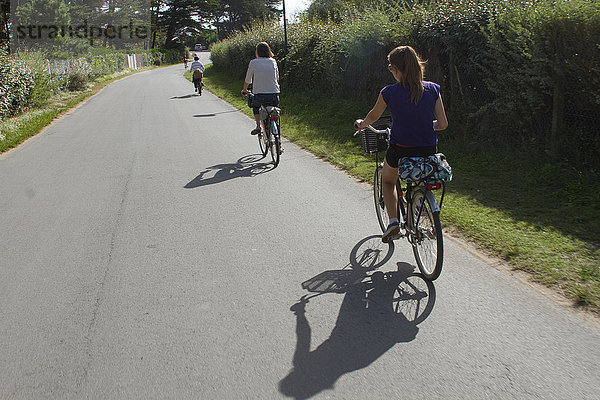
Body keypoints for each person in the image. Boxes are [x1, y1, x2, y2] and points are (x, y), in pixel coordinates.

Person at [354, 45, 448, 243]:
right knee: (420, 176)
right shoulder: (433, 89)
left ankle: (394, 222)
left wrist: (362, 124)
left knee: (388, 181)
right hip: (428, 149)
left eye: (391, 68)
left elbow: (374, 115)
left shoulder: (389, 92)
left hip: (400, 149)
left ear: (396, 69)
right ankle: (419, 203)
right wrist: (424, 123)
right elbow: (443, 124)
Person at [241, 42, 280, 138]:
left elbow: (248, 79)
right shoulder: (273, 61)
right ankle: (278, 144)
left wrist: (244, 90)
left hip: (259, 94)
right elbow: (277, 77)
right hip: (273, 93)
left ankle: (258, 126)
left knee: (256, 107)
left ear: (257, 52)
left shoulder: (253, 62)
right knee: (275, 114)